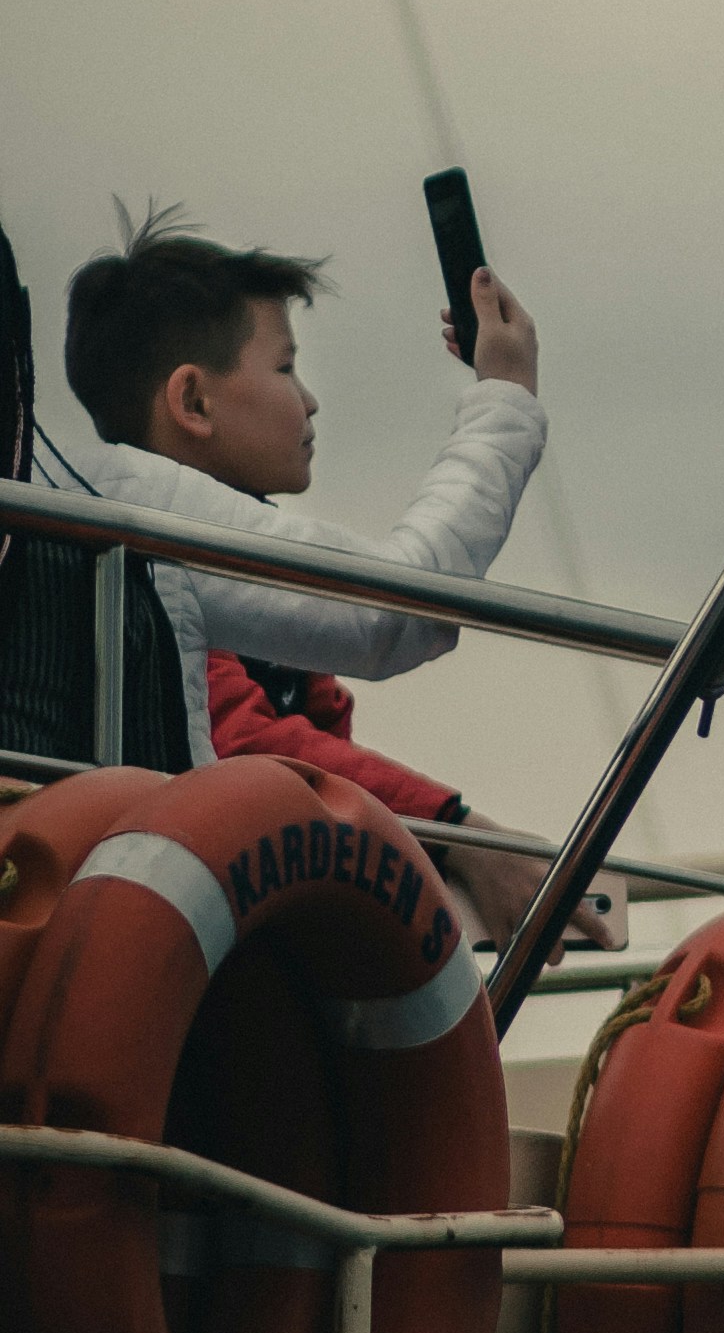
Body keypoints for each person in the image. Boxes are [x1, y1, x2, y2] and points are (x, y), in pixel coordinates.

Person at [61, 208, 618, 956]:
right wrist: (507, 396)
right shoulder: (147, 540)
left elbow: (314, 746)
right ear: (192, 401)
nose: (311, 400)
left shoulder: (145, 535)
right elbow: (386, 623)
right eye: (286, 367)